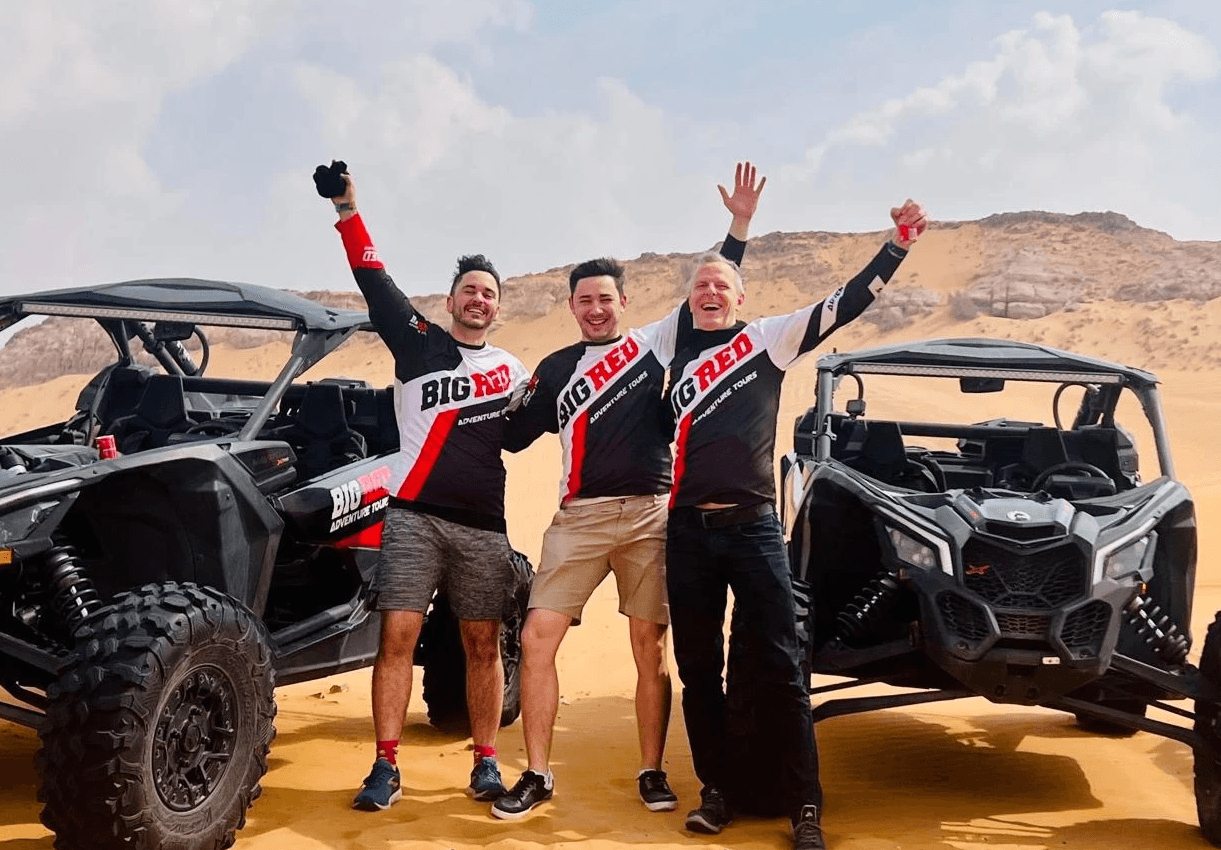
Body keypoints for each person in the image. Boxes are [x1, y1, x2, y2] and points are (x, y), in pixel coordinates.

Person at [490, 163, 766, 820]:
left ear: (622, 302)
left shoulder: (652, 344)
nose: (594, 308)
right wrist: (499, 396)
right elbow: (507, 435)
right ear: (571, 307)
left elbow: (714, 282)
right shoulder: (555, 368)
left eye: (604, 299)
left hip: (648, 516)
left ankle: (650, 770)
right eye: (583, 300)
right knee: (536, 640)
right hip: (578, 521)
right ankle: (535, 774)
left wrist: (739, 226)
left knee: (649, 647)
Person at [663, 200, 928, 849]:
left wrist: (894, 246)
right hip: (686, 534)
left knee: (783, 666)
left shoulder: (766, 339)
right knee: (699, 671)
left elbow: (843, 304)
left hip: (753, 530)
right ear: (688, 302)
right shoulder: (668, 355)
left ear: (740, 296)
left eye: (720, 284)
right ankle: (716, 791)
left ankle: (803, 804)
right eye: (699, 286)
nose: (709, 292)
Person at [314, 163, 530, 811]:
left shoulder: (513, 370)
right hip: (409, 519)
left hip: (482, 528)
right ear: (451, 300)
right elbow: (373, 281)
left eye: (488, 292)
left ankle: (486, 764)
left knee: (482, 645)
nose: (478, 299)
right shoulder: (418, 345)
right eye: (469, 289)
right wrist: (348, 210)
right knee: (398, 640)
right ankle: (384, 767)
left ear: (497, 305)